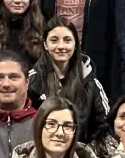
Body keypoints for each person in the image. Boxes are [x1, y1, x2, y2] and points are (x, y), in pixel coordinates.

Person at [31, 18, 111, 148]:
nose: (61, 46)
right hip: (40, 152)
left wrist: (85, 152)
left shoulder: (91, 82)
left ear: (75, 44)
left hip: (79, 153)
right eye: (54, 40)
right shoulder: (32, 80)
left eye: (67, 40)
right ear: (45, 45)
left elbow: (104, 124)